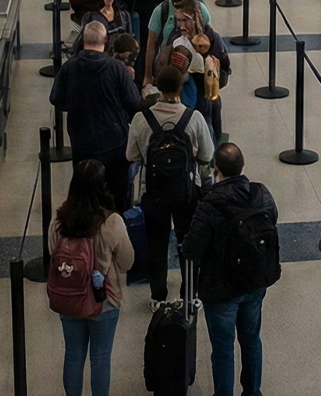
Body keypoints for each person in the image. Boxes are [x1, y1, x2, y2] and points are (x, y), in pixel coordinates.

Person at [182, 142, 278, 396]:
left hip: (221, 289)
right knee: (251, 340)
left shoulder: (209, 205)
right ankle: (253, 391)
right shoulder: (262, 194)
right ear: (242, 166)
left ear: (216, 170)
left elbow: (191, 250)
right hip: (255, 282)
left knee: (223, 349)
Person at [127, 66, 214, 303]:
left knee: (156, 244)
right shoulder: (193, 118)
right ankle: (189, 296)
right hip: (187, 192)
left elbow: (130, 155)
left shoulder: (141, 119)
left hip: (152, 191)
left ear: (157, 85)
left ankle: (158, 297)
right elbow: (207, 155)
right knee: (188, 242)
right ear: (180, 87)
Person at [51, 159, 135, 396]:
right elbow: (127, 261)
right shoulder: (112, 222)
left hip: (69, 297)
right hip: (104, 301)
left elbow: (52, 253)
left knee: (73, 355)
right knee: (100, 357)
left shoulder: (59, 220)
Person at [51, 21, 145, 225]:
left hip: (82, 145)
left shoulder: (70, 68)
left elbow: (56, 99)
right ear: (105, 41)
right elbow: (134, 101)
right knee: (118, 203)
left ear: (83, 41)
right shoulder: (117, 69)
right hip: (115, 147)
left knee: (84, 198)